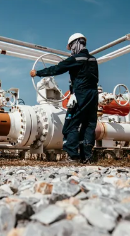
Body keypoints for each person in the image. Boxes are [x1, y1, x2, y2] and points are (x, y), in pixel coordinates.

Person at [30, 33, 99, 164]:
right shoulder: (93, 60)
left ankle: (72, 156)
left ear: (75, 44)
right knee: (89, 125)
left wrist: (38, 73)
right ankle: (87, 157)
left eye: (71, 46)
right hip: (93, 95)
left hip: (81, 94)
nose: (71, 50)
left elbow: (57, 68)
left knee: (71, 124)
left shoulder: (75, 59)